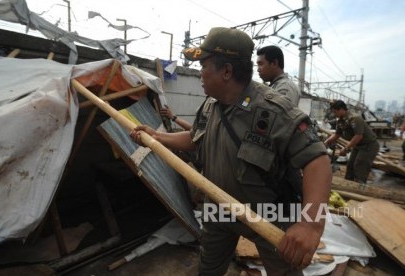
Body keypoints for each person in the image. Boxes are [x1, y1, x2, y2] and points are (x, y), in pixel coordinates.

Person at [130, 27, 331, 275]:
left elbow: (318, 160)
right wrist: (157, 136)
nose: (199, 73)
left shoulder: (274, 110)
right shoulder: (210, 105)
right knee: (209, 269)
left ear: (226, 71)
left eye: (204, 66)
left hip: (269, 216)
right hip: (218, 211)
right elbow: (195, 139)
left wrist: (311, 225)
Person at [324, 100, 380, 183]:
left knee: (359, 166)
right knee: (350, 165)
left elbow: (358, 136)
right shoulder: (340, 120)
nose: (334, 114)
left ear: (342, 109)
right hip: (358, 145)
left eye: (335, 112)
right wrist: (326, 142)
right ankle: (348, 184)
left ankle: (359, 186)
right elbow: (337, 134)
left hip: (369, 145)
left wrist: (346, 148)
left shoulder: (355, 118)